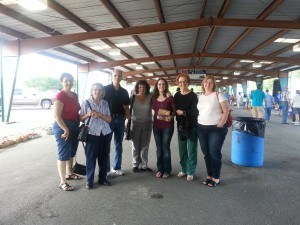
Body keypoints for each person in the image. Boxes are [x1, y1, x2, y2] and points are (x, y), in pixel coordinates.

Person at [197, 75, 229, 187]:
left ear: (213, 84)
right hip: (201, 128)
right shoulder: (200, 96)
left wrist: (220, 124)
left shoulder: (218, 95)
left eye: (210, 82)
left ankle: (216, 177)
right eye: (206, 82)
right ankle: (209, 175)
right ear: (203, 84)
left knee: (214, 153)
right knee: (206, 153)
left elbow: (226, 111)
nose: (208, 84)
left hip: (216, 128)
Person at [80, 83, 112, 189]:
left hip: (105, 133)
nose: (97, 92)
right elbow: (81, 118)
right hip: (92, 134)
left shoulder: (105, 103)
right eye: (95, 90)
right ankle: (89, 181)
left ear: (102, 92)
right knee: (91, 158)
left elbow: (109, 119)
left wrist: (101, 115)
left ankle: (103, 179)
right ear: (91, 91)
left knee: (104, 157)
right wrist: (88, 114)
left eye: (99, 90)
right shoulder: (86, 102)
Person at [53, 73, 81, 191]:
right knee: (63, 154)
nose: (68, 82)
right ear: (62, 82)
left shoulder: (75, 95)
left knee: (71, 152)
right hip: (62, 126)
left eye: (70, 80)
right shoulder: (60, 96)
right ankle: (62, 182)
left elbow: (78, 111)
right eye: (66, 80)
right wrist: (65, 129)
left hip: (75, 124)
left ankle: (69, 174)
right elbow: (56, 116)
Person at [104, 69, 130, 176]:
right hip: (108, 120)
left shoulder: (124, 92)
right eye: (115, 75)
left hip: (120, 119)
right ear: (111, 76)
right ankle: (105, 170)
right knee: (106, 145)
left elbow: (127, 107)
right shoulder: (105, 89)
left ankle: (117, 167)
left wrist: (127, 118)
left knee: (118, 144)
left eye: (119, 76)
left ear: (122, 77)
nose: (117, 77)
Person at [174, 74, 198, 181]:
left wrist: (183, 112)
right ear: (178, 83)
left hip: (192, 125)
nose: (182, 83)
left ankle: (190, 171)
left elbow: (195, 112)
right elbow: (172, 109)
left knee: (192, 149)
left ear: (188, 82)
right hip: (180, 126)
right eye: (180, 82)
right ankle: (183, 169)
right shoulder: (176, 95)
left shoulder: (193, 96)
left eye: (184, 81)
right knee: (182, 149)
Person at [151, 78, 175, 178]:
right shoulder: (153, 97)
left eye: (163, 84)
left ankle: (167, 170)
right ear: (157, 86)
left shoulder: (170, 97)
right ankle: (160, 169)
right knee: (159, 148)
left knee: (165, 147)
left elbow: (174, 111)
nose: (161, 86)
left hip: (167, 126)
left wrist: (171, 116)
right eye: (159, 84)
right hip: (156, 125)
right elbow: (150, 110)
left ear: (166, 86)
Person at [131, 80, 153, 172]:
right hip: (135, 123)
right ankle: (136, 164)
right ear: (137, 88)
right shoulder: (132, 97)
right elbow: (126, 108)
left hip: (147, 123)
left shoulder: (150, 96)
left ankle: (144, 165)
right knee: (135, 145)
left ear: (146, 88)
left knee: (145, 145)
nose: (142, 89)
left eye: (143, 87)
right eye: (140, 87)